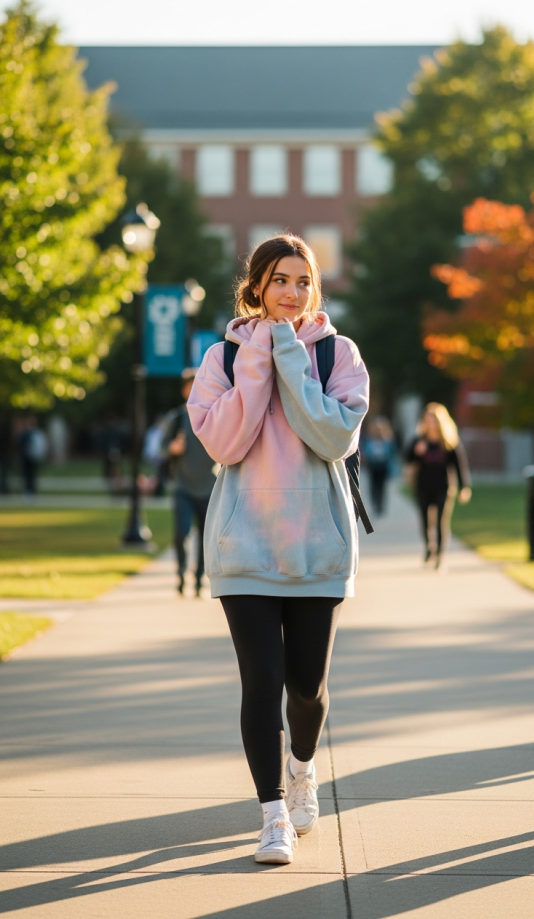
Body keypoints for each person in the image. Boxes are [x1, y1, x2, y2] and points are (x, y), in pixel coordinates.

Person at [188, 234, 369, 866]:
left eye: (302, 281)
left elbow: (334, 436)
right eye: (280, 280)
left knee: (306, 687)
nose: (292, 293)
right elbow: (225, 442)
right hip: (245, 548)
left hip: (319, 549)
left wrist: (290, 356)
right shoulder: (220, 357)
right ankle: (272, 818)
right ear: (258, 285)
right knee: (261, 682)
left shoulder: (338, 355)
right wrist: (259, 357)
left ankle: (302, 768)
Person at [162, 369, 216, 596]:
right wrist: (172, 449)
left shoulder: (214, 415)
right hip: (183, 487)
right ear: (184, 390)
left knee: (205, 538)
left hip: (209, 488)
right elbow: (162, 448)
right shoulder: (176, 419)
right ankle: (181, 574)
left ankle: (198, 579)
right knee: (181, 533)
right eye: (190, 386)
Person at [405, 402, 471, 568]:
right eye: (427, 420)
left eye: (433, 420)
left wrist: (464, 487)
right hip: (422, 486)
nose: (430, 424)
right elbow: (407, 458)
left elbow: (459, 465)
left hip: (444, 486)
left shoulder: (449, 442)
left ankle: (440, 556)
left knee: (441, 521)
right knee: (425, 520)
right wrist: (416, 452)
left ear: (440, 422)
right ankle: (429, 548)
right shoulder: (418, 440)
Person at [362, 415, 395, 515]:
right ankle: (374, 504)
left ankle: (380, 505)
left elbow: (391, 453)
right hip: (373, 465)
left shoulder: (387, 440)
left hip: (383, 465)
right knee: (373, 486)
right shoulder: (369, 440)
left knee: (382, 486)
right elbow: (365, 452)